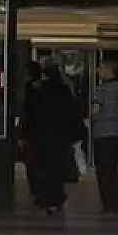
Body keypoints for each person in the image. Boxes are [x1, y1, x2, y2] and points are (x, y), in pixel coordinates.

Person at [33, 62, 82, 215]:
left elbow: (34, 114)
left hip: (44, 136)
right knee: (58, 168)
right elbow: (73, 113)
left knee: (46, 168)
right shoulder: (64, 91)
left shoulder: (40, 92)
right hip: (62, 136)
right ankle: (57, 197)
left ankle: (48, 198)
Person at [89, 58, 118, 214]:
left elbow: (95, 110)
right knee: (113, 169)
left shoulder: (101, 90)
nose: (98, 71)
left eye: (100, 68)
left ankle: (107, 204)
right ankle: (115, 202)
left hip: (102, 132)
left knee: (103, 170)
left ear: (108, 71)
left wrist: (92, 117)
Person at [18, 61, 44, 205]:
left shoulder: (29, 89)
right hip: (42, 132)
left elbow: (27, 112)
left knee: (32, 162)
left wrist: (22, 133)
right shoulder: (44, 88)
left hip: (32, 132)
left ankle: (36, 189)